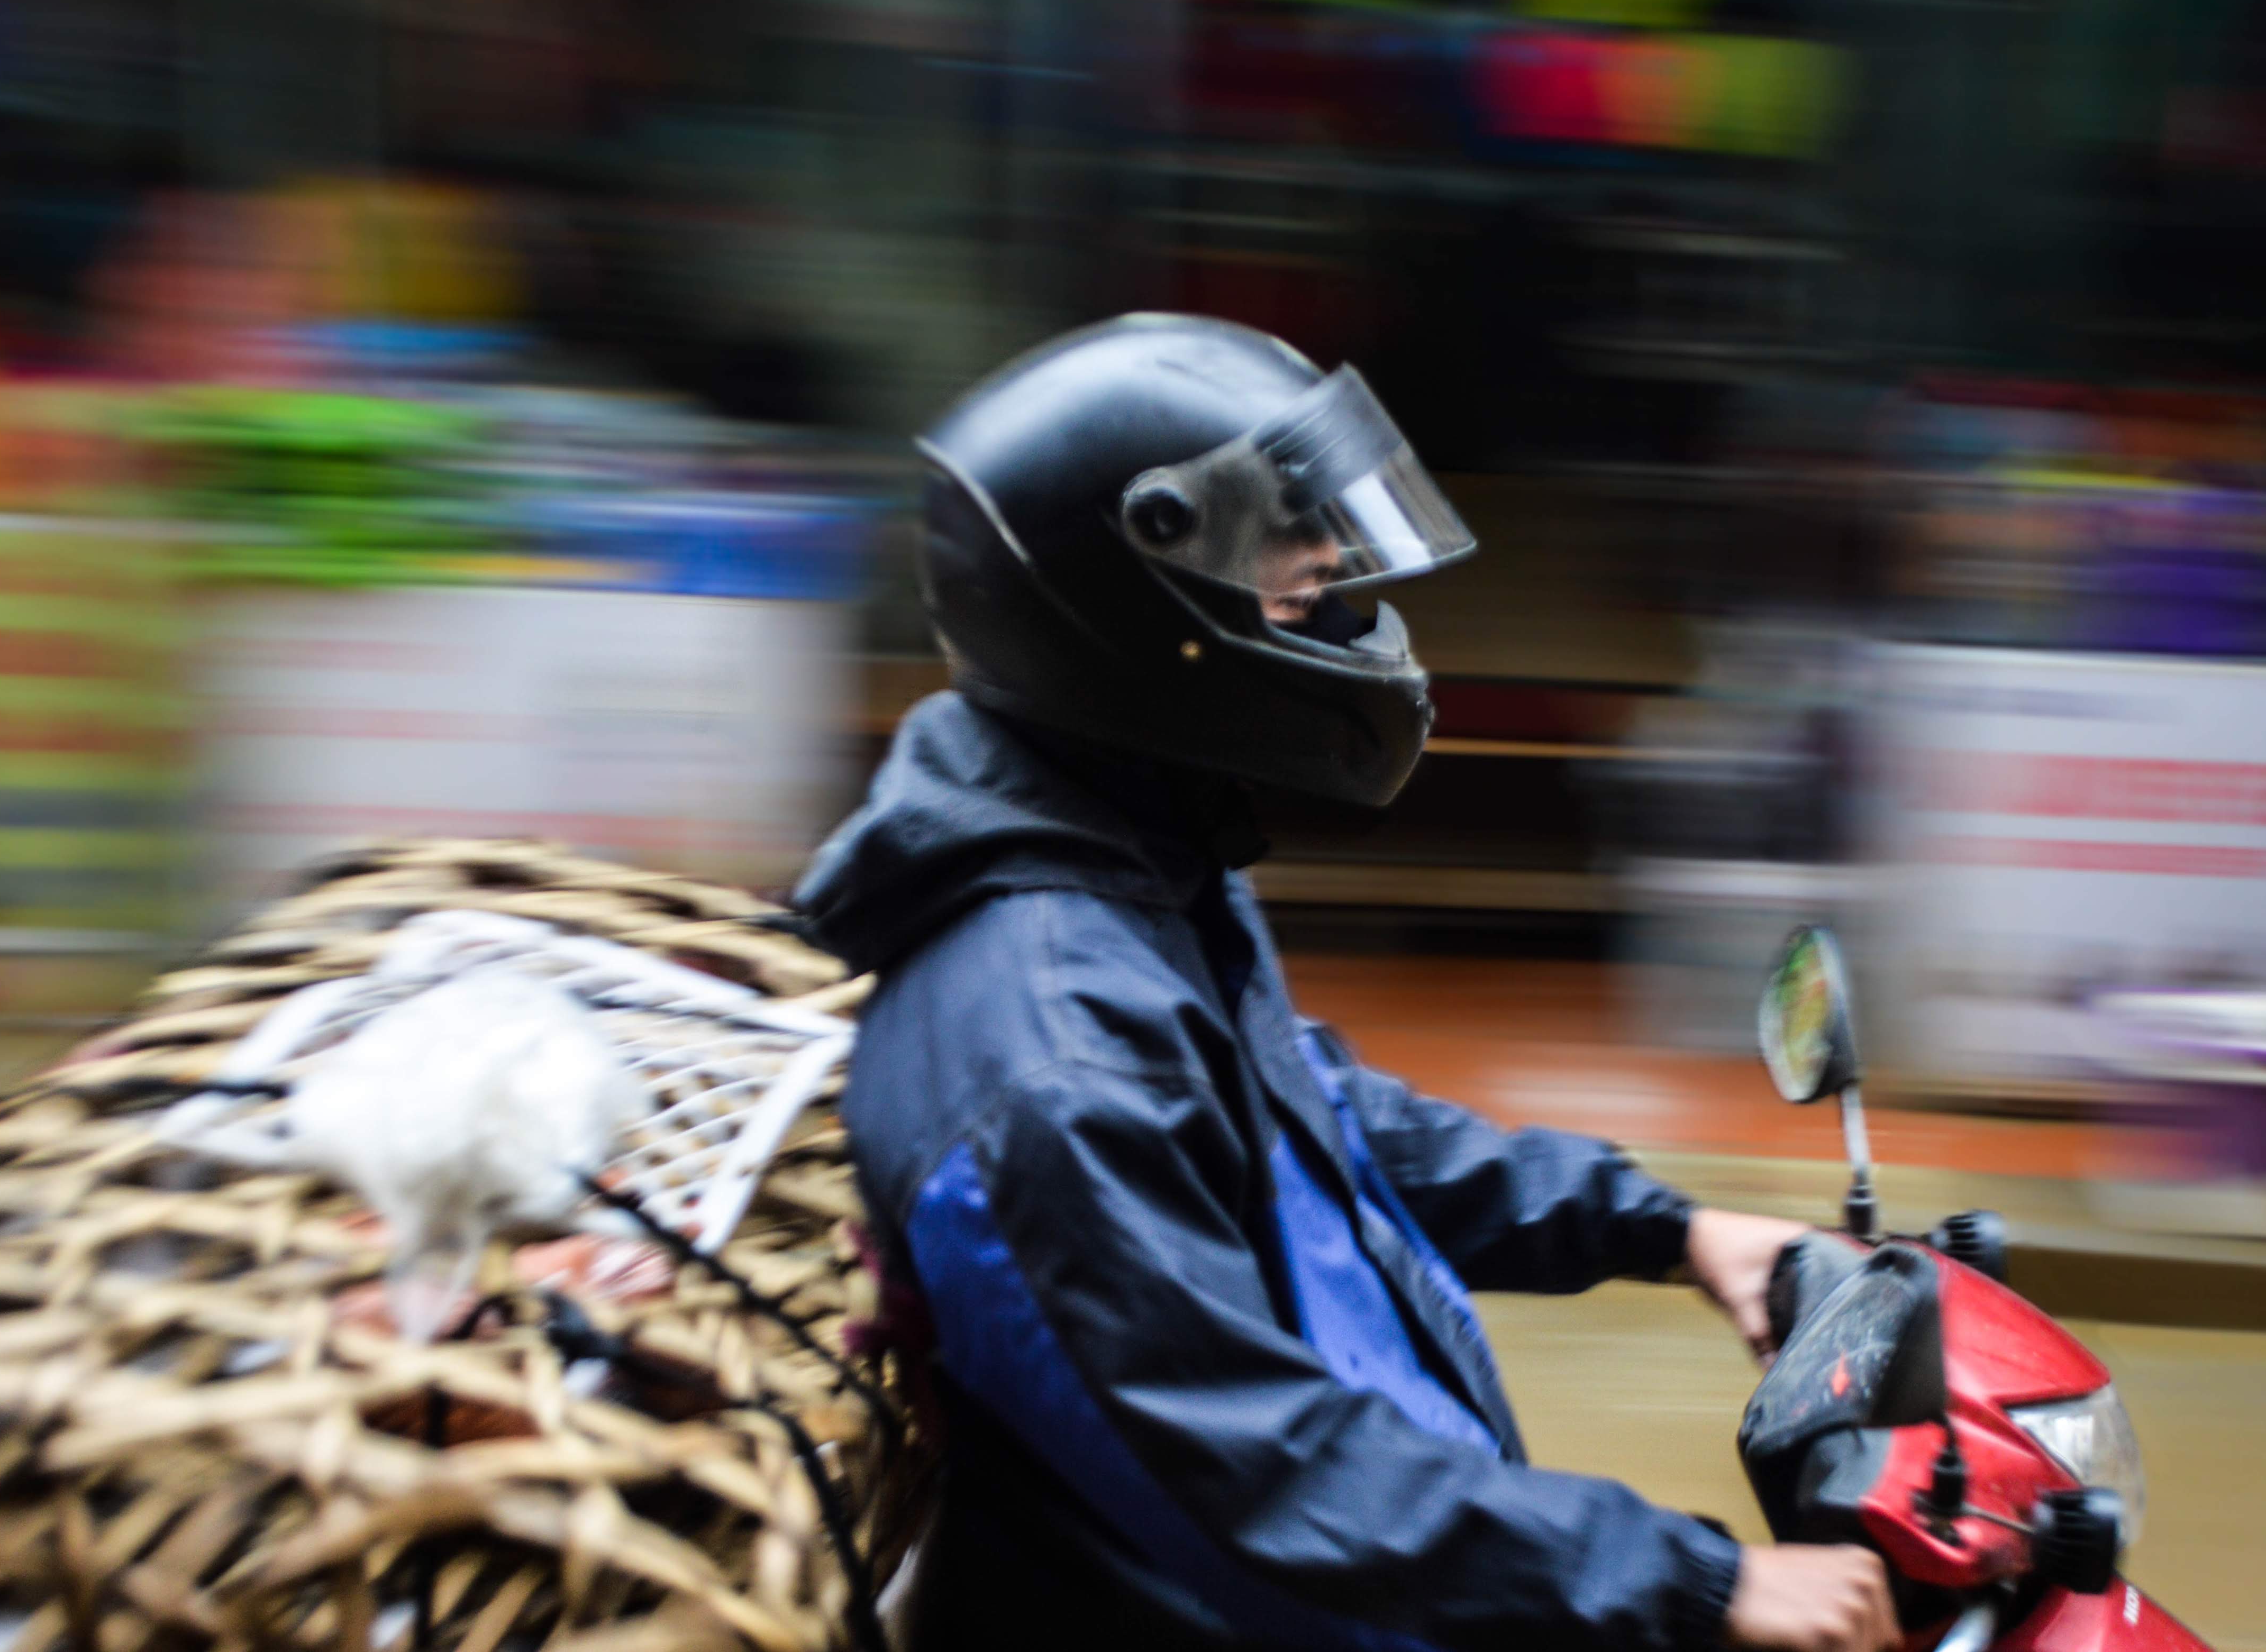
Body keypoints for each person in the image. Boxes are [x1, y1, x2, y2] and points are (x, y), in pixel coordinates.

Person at [791, 315, 1899, 1652]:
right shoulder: (1046, 1046)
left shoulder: (1126, 868)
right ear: (1127, 612)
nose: (1331, 586)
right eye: (1285, 570)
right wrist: (1693, 1579)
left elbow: (1316, 1117)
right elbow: (1249, 1468)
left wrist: (1662, 1227)